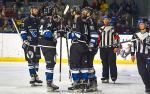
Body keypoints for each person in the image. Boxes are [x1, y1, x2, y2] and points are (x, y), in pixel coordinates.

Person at [67, 7, 99, 92]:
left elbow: (94, 35)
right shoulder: (83, 20)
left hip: (89, 47)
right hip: (85, 46)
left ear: (89, 13)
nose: (83, 12)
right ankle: (83, 82)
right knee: (84, 65)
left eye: (85, 11)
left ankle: (92, 83)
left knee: (88, 65)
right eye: (83, 11)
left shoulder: (90, 21)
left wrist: (91, 45)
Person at [38, 6, 60, 91]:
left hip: (50, 45)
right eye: (53, 11)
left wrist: (58, 32)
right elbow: (42, 31)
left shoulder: (50, 20)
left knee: (51, 64)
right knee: (50, 64)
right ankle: (49, 84)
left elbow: (54, 31)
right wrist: (52, 34)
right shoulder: (46, 20)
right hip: (48, 45)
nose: (54, 12)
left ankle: (49, 82)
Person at [20, 7, 42, 86]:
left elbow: (41, 31)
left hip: (38, 43)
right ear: (31, 11)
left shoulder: (39, 20)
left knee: (37, 60)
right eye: (34, 9)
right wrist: (25, 39)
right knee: (30, 60)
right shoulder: (26, 20)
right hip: (29, 43)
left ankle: (36, 75)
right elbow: (23, 31)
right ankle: (33, 76)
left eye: (37, 9)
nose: (36, 10)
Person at [99, 15, 120, 83]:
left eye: (107, 19)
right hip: (102, 48)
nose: (106, 20)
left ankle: (113, 76)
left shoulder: (113, 28)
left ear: (109, 20)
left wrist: (116, 47)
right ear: (103, 20)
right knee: (104, 63)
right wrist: (98, 44)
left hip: (111, 48)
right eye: (105, 19)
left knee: (112, 63)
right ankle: (105, 76)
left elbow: (117, 38)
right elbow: (99, 38)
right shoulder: (100, 29)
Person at [131, 19, 150, 93]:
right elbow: (133, 45)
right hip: (139, 55)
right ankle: (147, 85)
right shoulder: (135, 35)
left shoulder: (149, 34)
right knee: (141, 71)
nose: (141, 25)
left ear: (145, 25)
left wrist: (146, 44)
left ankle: (148, 86)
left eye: (142, 24)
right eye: (140, 24)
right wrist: (132, 54)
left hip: (148, 54)